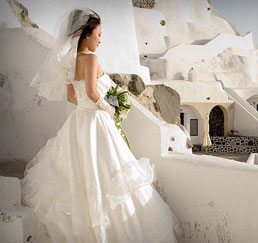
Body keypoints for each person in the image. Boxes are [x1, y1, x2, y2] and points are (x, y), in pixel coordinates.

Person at [20, 7, 183, 243]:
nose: (100, 39)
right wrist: (110, 109)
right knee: (109, 172)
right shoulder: (91, 58)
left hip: (78, 121)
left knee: (79, 174)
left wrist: (90, 105)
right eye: (98, 34)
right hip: (96, 121)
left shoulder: (69, 62)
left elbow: (72, 97)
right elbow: (91, 91)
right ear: (86, 34)